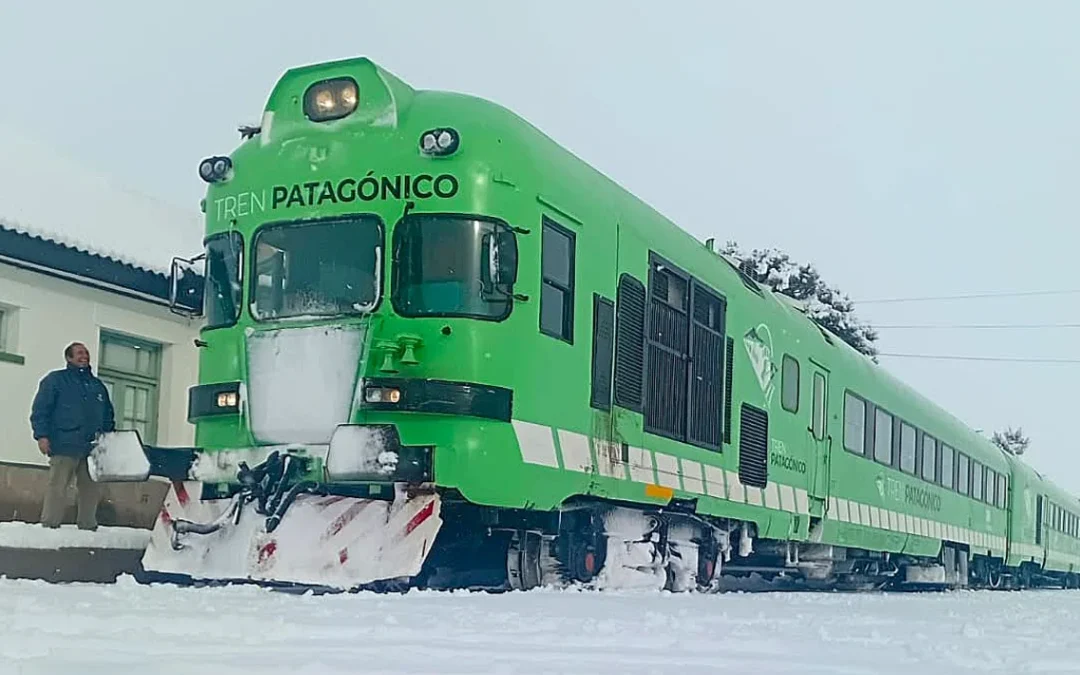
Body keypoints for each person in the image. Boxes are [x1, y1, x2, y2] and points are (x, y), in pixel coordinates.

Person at [29, 342, 116, 530]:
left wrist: (107, 441)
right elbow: (41, 410)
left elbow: (108, 416)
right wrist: (41, 436)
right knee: (58, 487)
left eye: (86, 352)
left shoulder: (97, 386)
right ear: (68, 358)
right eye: (79, 353)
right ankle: (49, 525)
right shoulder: (55, 380)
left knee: (90, 490)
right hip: (63, 443)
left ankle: (88, 526)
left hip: (92, 448)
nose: (84, 356)